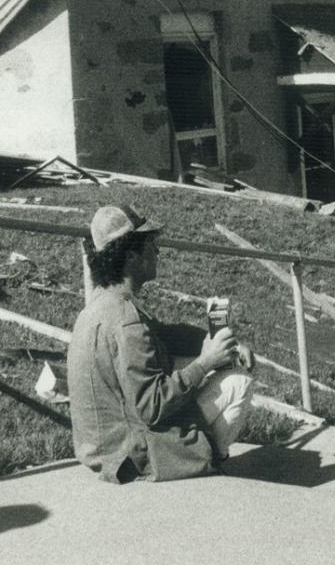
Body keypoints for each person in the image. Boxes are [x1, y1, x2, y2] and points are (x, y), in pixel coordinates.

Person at [67, 204, 255, 483]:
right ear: (132, 256)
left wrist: (214, 342)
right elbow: (151, 407)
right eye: (151, 245)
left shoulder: (103, 304)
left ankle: (201, 456)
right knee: (239, 381)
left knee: (184, 360)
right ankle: (206, 462)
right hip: (133, 456)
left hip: (102, 446)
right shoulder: (127, 322)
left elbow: (160, 334)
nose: (157, 253)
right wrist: (205, 363)